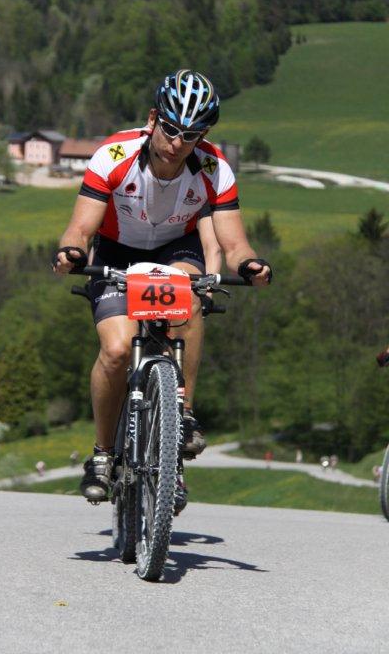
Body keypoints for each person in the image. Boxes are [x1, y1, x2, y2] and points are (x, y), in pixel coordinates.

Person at [53, 69, 272, 503]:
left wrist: (250, 264)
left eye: (190, 135)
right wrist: (72, 252)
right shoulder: (113, 155)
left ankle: (182, 414)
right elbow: (80, 228)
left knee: (188, 298)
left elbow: (233, 243)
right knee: (117, 351)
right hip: (116, 251)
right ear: (153, 119)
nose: (176, 142)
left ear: (202, 136)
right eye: (170, 129)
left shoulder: (214, 169)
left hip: (175, 249)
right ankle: (102, 454)